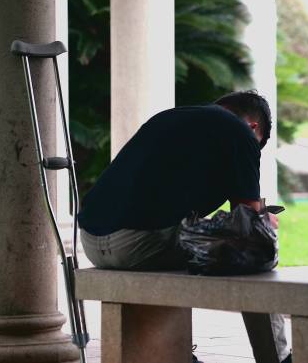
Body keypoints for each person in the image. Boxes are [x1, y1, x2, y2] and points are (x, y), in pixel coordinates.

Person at [78, 90, 291, 363]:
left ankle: (171, 353)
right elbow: (248, 220)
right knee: (256, 251)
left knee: (193, 236)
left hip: (92, 242)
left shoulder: (169, 118)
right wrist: (266, 219)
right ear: (253, 128)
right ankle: (278, 359)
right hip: (138, 243)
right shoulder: (240, 132)